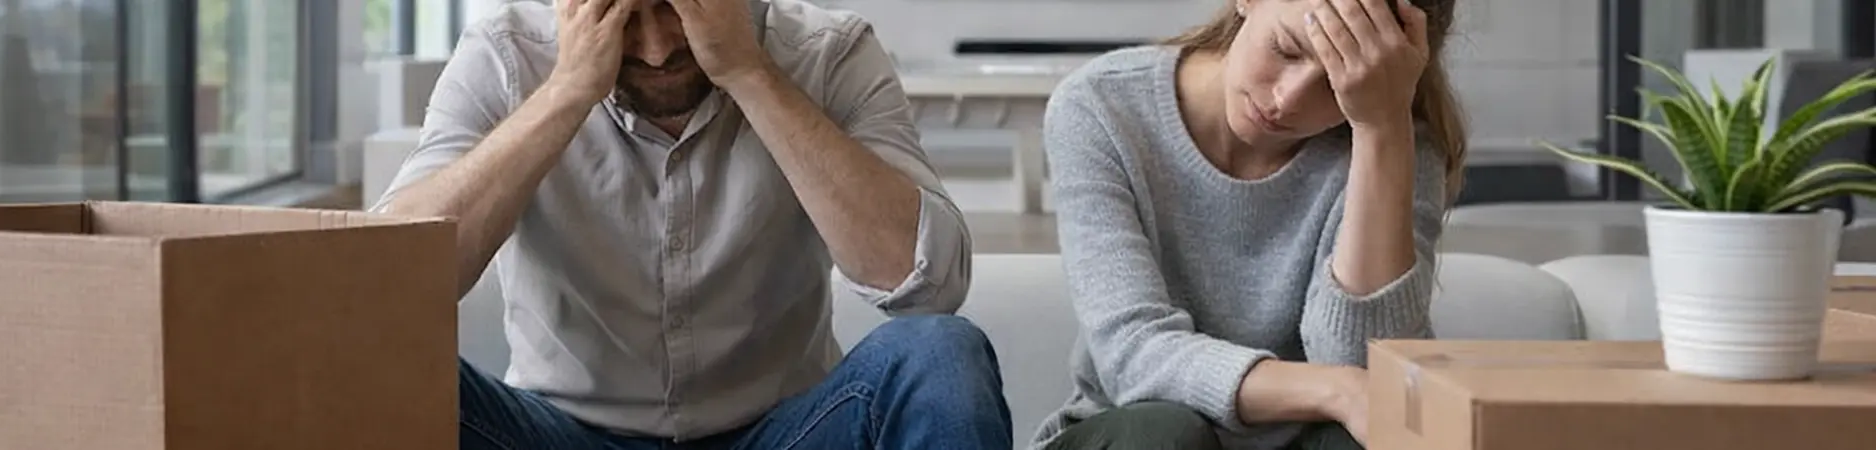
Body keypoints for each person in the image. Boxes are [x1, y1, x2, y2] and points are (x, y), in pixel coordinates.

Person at [372, 0, 1011, 448]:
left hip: (787, 431)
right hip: (557, 431)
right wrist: (566, 91)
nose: (656, 50)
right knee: (376, 368)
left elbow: (929, 284)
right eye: (622, 13)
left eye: (681, 6)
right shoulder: (505, 57)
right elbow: (382, 286)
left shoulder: (829, 53)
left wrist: (749, 72)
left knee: (942, 354)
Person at [1031, 0, 1467, 449]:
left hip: (1305, 440)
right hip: (1132, 434)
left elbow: (1368, 374)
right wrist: (1337, 391)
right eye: (1286, 49)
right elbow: (1133, 355)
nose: (1287, 99)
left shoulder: (1395, 143)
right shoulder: (1103, 106)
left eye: (1336, 84)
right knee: (1165, 434)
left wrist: (1380, 128)